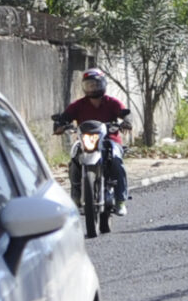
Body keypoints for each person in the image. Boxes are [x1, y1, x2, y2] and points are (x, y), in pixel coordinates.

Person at [54, 69, 131, 217]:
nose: (93, 88)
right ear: (84, 87)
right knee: (74, 161)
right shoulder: (78, 105)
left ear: (103, 84)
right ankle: (76, 197)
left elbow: (124, 113)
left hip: (110, 140)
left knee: (116, 161)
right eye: (89, 85)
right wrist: (60, 125)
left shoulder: (112, 102)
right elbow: (65, 117)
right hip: (85, 141)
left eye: (96, 85)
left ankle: (120, 200)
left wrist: (126, 122)